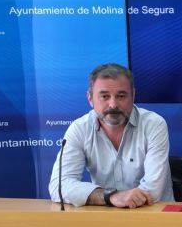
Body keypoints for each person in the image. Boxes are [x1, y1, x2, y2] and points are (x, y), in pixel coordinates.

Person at [49, 63, 173, 208]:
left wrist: (117, 200)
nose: (113, 104)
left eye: (121, 96)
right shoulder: (79, 129)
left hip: (155, 214)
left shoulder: (153, 125)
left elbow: (152, 191)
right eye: (104, 96)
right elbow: (59, 186)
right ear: (90, 99)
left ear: (133, 96)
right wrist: (110, 196)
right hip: (105, 216)